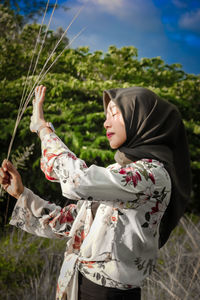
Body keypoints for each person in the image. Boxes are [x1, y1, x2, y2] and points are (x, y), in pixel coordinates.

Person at [0, 86, 191, 300]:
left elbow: (78, 181)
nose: (106, 122)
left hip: (108, 295)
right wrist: (22, 194)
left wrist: (43, 129)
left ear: (141, 118)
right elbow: (71, 222)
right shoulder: (119, 173)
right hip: (79, 284)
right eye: (106, 115)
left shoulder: (151, 175)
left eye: (115, 113)